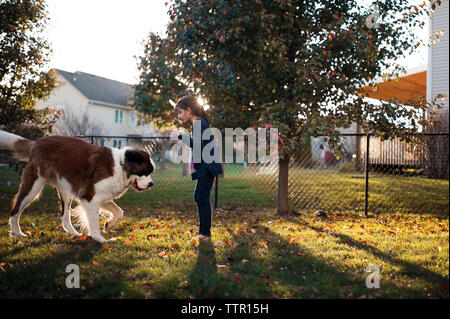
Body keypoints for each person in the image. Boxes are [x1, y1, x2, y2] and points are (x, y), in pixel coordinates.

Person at [172, 96, 223, 241]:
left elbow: (198, 145)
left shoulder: (199, 123)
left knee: (201, 198)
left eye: (180, 112)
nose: (179, 116)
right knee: (200, 197)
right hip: (205, 166)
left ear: (189, 110)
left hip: (207, 167)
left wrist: (182, 137)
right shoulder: (199, 123)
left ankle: (205, 234)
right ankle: (204, 233)